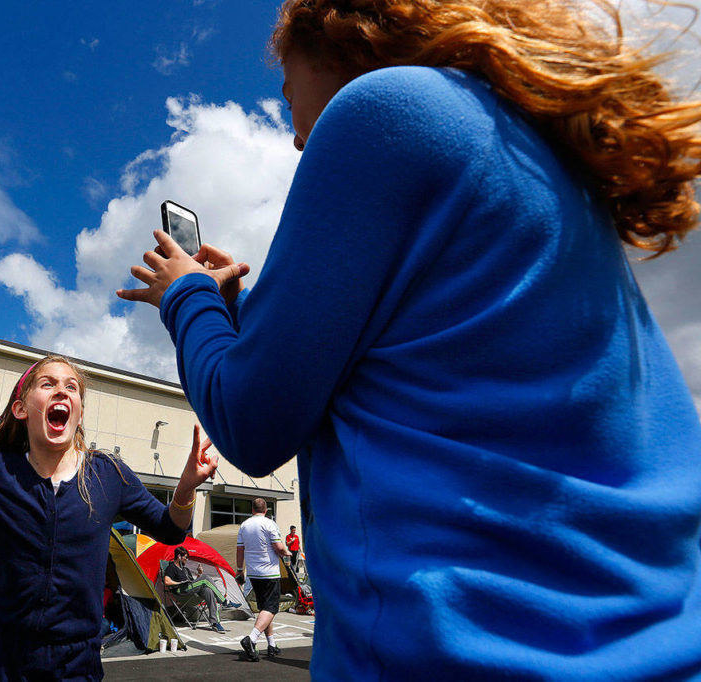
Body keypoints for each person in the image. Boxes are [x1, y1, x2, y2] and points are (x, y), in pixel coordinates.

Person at [117, 0, 701, 678]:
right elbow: (405, 368)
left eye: (285, 93)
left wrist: (185, 295)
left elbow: (252, 418)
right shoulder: (536, 160)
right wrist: (236, 309)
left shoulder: (383, 110)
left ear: (329, 37)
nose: (297, 135)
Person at [0, 358, 219, 680]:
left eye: (72, 387)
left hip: (74, 664)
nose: (61, 392)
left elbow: (171, 531)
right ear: (21, 409)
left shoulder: (107, 474)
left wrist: (186, 488)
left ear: (79, 414)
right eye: (48, 384)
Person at [235, 499, 290, 661]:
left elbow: (240, 549)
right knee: (271, 609)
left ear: (252, 509)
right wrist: (287, 553)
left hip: (254, 573)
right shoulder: (269, 524)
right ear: (266, 509)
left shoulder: (244, 525)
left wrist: (240, 570)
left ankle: (271, 644)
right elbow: (278, 547)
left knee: (265, 609)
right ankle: (251, 638)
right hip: (270, 573)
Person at [162, 545, 239, 633]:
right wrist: (179, 583)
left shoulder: (185, 569)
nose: (187, 560)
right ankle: (224, 602)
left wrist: (199, 574)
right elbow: (167, 581)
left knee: (208, 590)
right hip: (180, 591)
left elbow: (194, 583)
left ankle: (215, 622)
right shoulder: (171, 567)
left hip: (190, 590)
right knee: (206, 578)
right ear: (179, 556)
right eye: (186, 557)